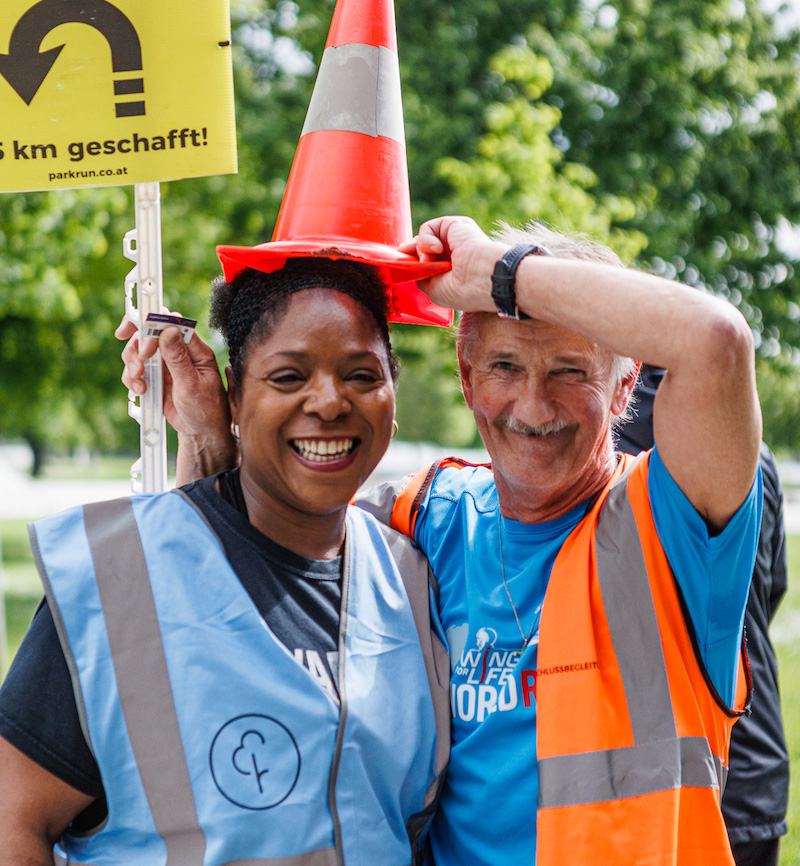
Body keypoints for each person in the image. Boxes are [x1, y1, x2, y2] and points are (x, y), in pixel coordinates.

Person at [116, 215, 763, 865]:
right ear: (467, 374)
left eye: (570, 371)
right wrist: (205, 432)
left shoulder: (671, 527)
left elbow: (715, 340)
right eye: (505, 365)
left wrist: (498, 275)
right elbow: (231, 577)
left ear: (624, 385)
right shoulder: (426, 516)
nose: (533, 407)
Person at [0, 258, 450, 865]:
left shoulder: (414, 580)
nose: (329, 401)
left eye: (362, 375)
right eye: (288, 376)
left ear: (393, 396)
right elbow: (14, 824)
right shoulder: (117, 579)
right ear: (234, 395)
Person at [617, 365, 789, 866]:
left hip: (676, 769)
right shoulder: (751, 443)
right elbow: (772, 586)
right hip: (757, 758)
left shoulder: (604, 435)